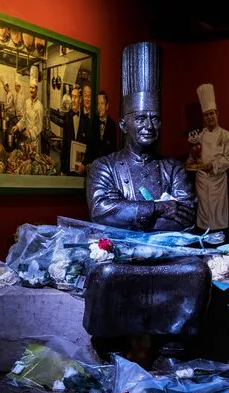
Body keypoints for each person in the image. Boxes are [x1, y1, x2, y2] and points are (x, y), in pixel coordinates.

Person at [85, 42, 203, 367]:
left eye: (155, 119)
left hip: (166, 255)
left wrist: (131, 215)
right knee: (107, 274)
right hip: (119, 255)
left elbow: (187, 215)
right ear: (124, 125)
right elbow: (102, 211)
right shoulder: (104, 167)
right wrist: (157, 209)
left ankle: (171, 348)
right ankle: (110, 348)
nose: (149, 125)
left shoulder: (172, 168)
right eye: (140, 119)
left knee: (195, 271)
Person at [193, 83, 229, 234]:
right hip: (202, 179)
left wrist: (214, 165)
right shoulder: (200, 136)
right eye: (206, 114)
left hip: (218, 178)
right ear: (203, 117)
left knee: (218, 212)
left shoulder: (226, 135)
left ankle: (219, 241)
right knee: (204, 210)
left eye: (212, 113)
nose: (209, 117)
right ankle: (204, 239)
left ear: (217, 114)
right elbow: (194, 155)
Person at [83, 89, 118, 169]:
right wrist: (86, 163)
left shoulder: (112, 126)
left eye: (102, 103)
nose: (99, 107)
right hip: (93, 167)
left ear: (107, 106)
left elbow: (113, 151)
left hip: (106, 168)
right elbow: (88, 146)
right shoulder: (92, 123)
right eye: (98, 104)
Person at [11, 66, 43, 153]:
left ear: (37, 89)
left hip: (34, 140)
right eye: (30, 87)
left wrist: (30, 133)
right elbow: (24, 118)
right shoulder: (27, 102)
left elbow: (39, 125)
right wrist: (17, 126)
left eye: (33, 88)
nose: (31, 90)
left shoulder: (39, 106)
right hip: (26, 139)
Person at [61, 86, 89, 175]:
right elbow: (64, 143)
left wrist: (84, 165)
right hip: (69, 166)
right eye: (72, 96)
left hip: (81, 167)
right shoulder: (67, 117)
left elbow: (88, 145)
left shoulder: (86, 120)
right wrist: (63, 168)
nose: (73, 100)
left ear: (80, 99)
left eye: (76, 97)